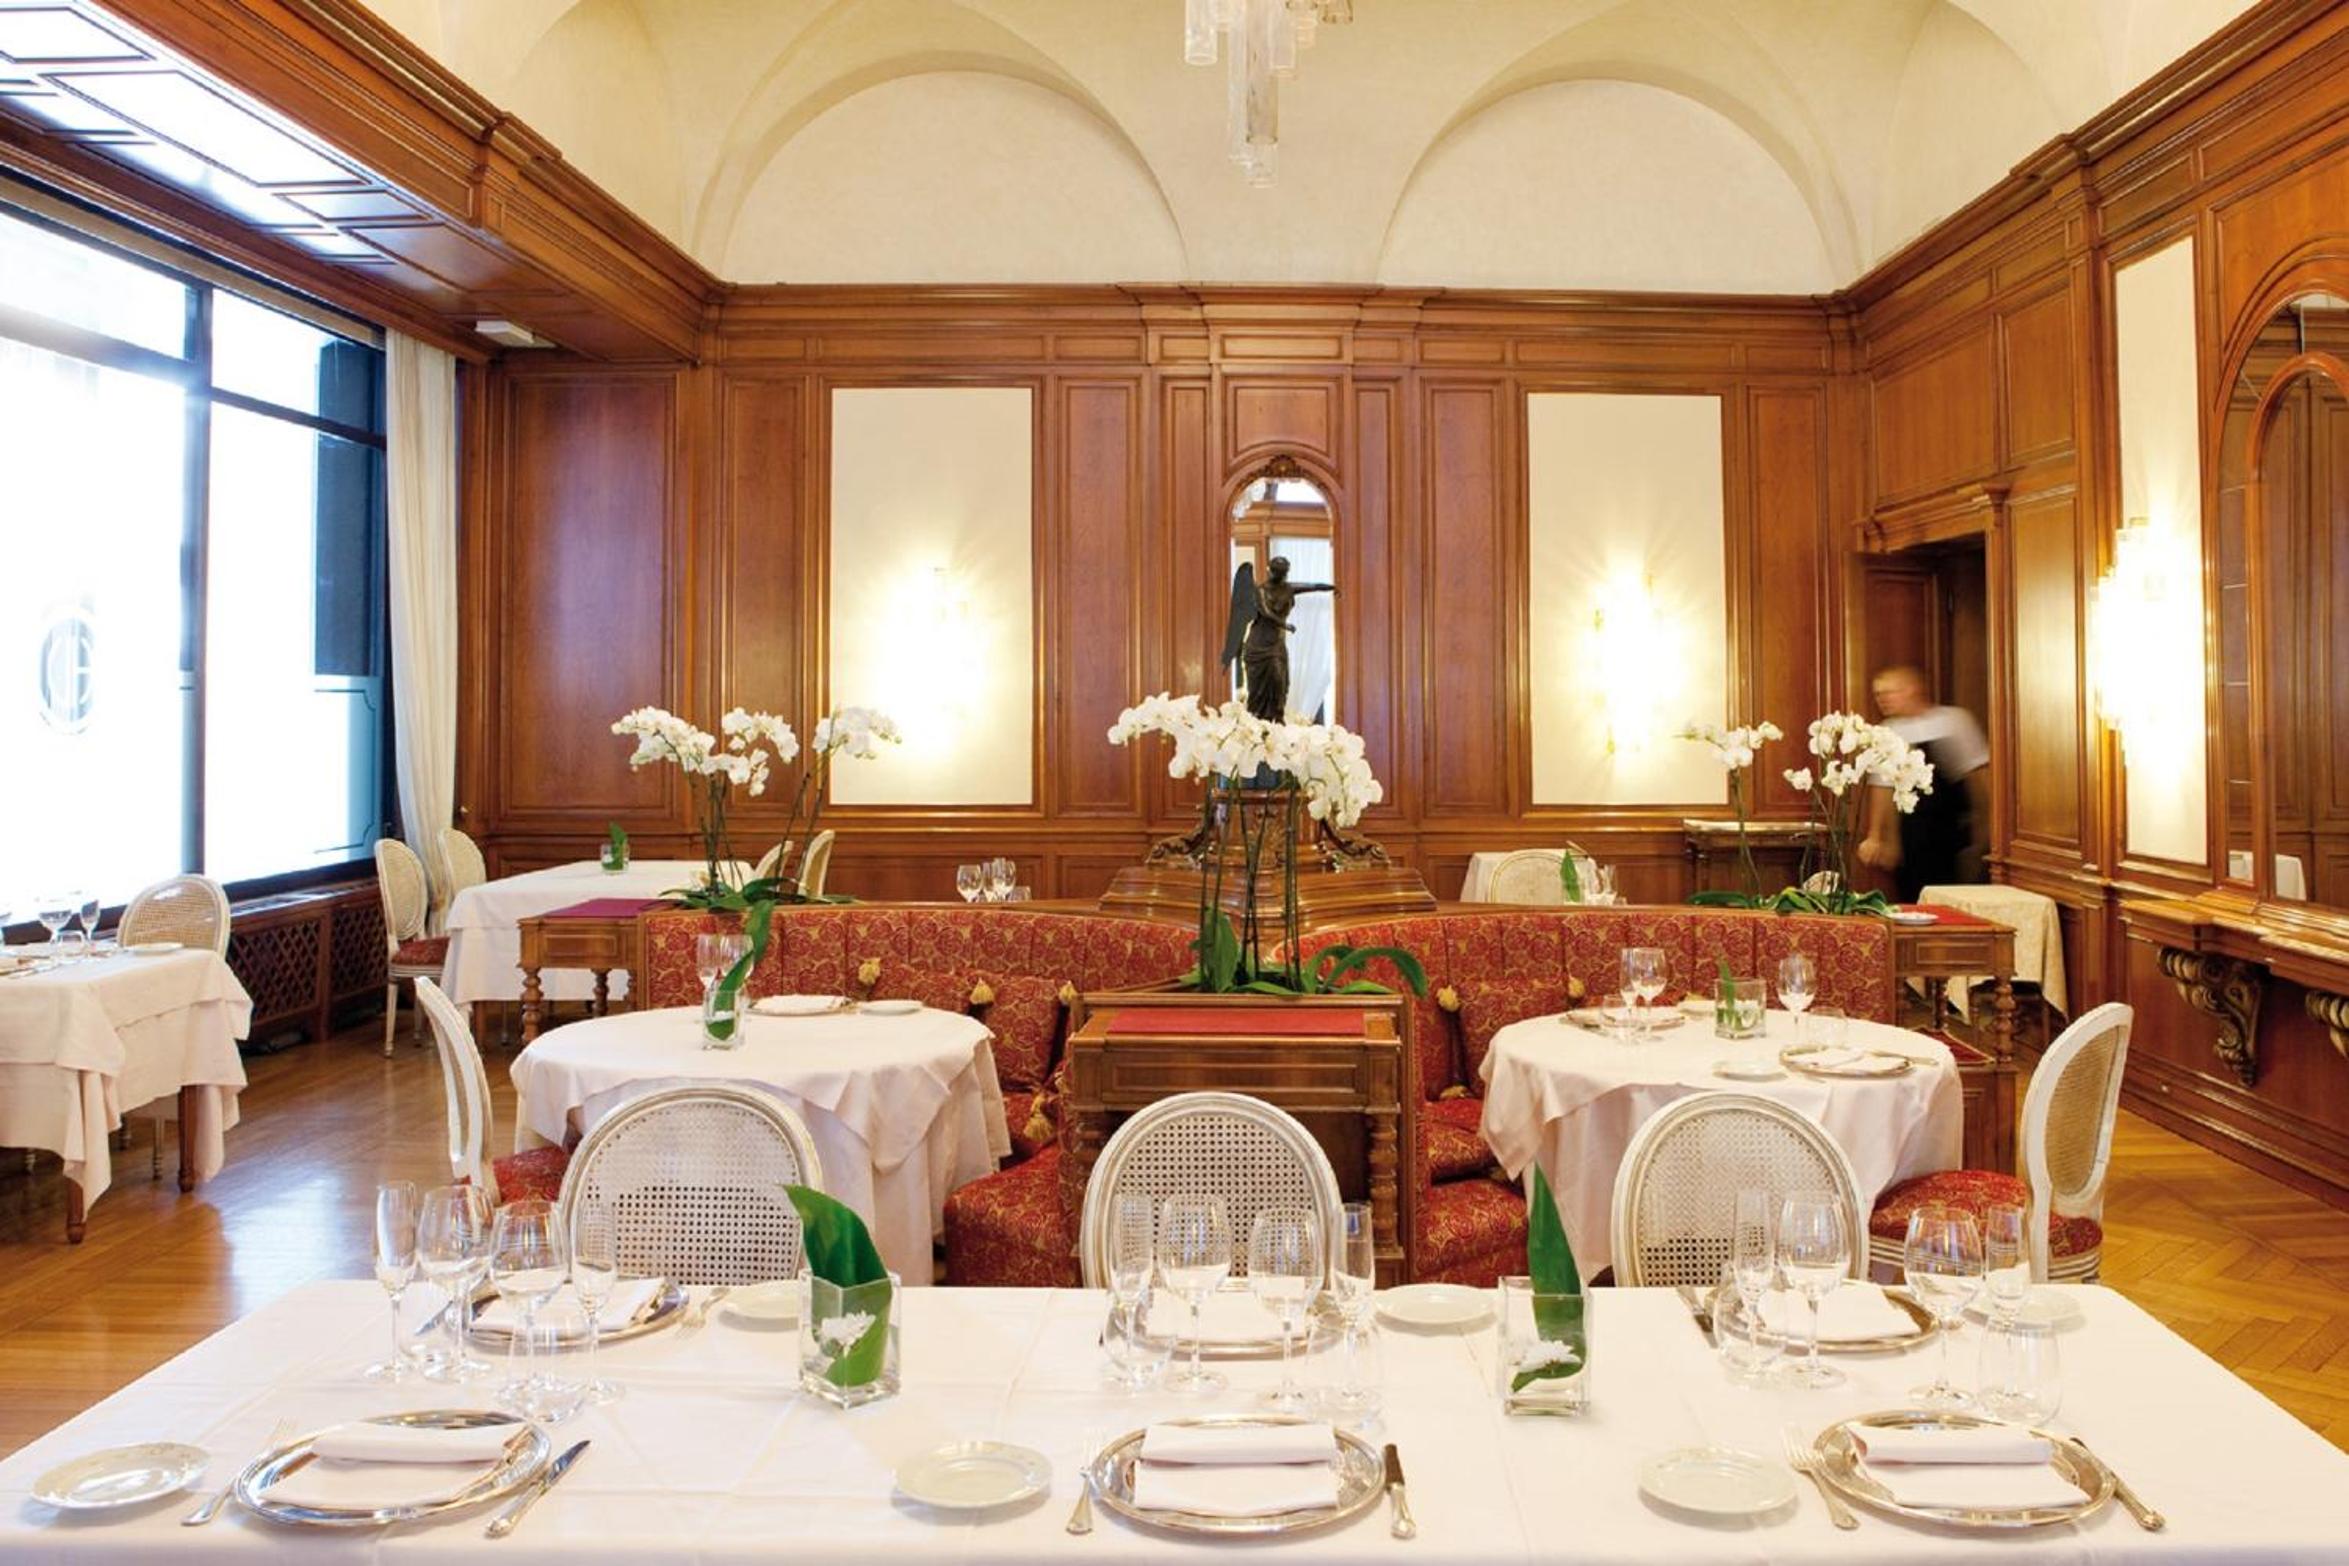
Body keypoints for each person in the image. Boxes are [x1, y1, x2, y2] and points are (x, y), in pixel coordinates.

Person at [1857, 664, 1990, 900]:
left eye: (1888, 693)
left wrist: (1988, 828)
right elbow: (1883, 789)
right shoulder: (1888, 732)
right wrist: (1877, 836)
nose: (1882, 700)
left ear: (1911, 690)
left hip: (1953, 830)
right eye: (1878, 695)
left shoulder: (1954, 721)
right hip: (1912, 833)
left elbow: (1980, 776)